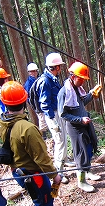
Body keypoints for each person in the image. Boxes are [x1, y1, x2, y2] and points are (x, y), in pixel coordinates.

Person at [0, 81, 66, 206]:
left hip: (18, 171)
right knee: (42, 199)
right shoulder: (27, 128)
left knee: (45, 194)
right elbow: (41, 158)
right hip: (31, 172)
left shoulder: (1, 122)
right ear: (24, 100)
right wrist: (54, 175)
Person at [58, 61, 102, 192]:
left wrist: (92, 94)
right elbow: (63, 114)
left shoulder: (76, 88)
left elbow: (81, 102)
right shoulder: (64, 92)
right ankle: (81, 181)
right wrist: (79, 119)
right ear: (73, 76)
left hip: (84, 124)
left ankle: (87, 171)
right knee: (80, 153)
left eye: (84, 79)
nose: (83, 81)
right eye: (81, 79)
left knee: (89, 148)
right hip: (75, 128)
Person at [34, 53, 70, 184]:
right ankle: (59, 171)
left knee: (63, 138)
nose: (60, 69)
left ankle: (64, 160)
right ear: (55, 67)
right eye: (59, 66)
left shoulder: (53, 78)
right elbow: (44, 103)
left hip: (57, 112)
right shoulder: (45, 81)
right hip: (53, 115)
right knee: (60, 141)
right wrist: (52, 120)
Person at [24, 62, 49, 140]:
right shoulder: (28, 83)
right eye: (32, 71)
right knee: (42, 120)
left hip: (43, 102)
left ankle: (47, 134)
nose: (34, 73)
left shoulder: (39, 79)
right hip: (37, 104)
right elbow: (28, 97)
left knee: (46, 118)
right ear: (29, 72)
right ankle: (44, 137)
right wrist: (34, 105)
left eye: (35, 71)